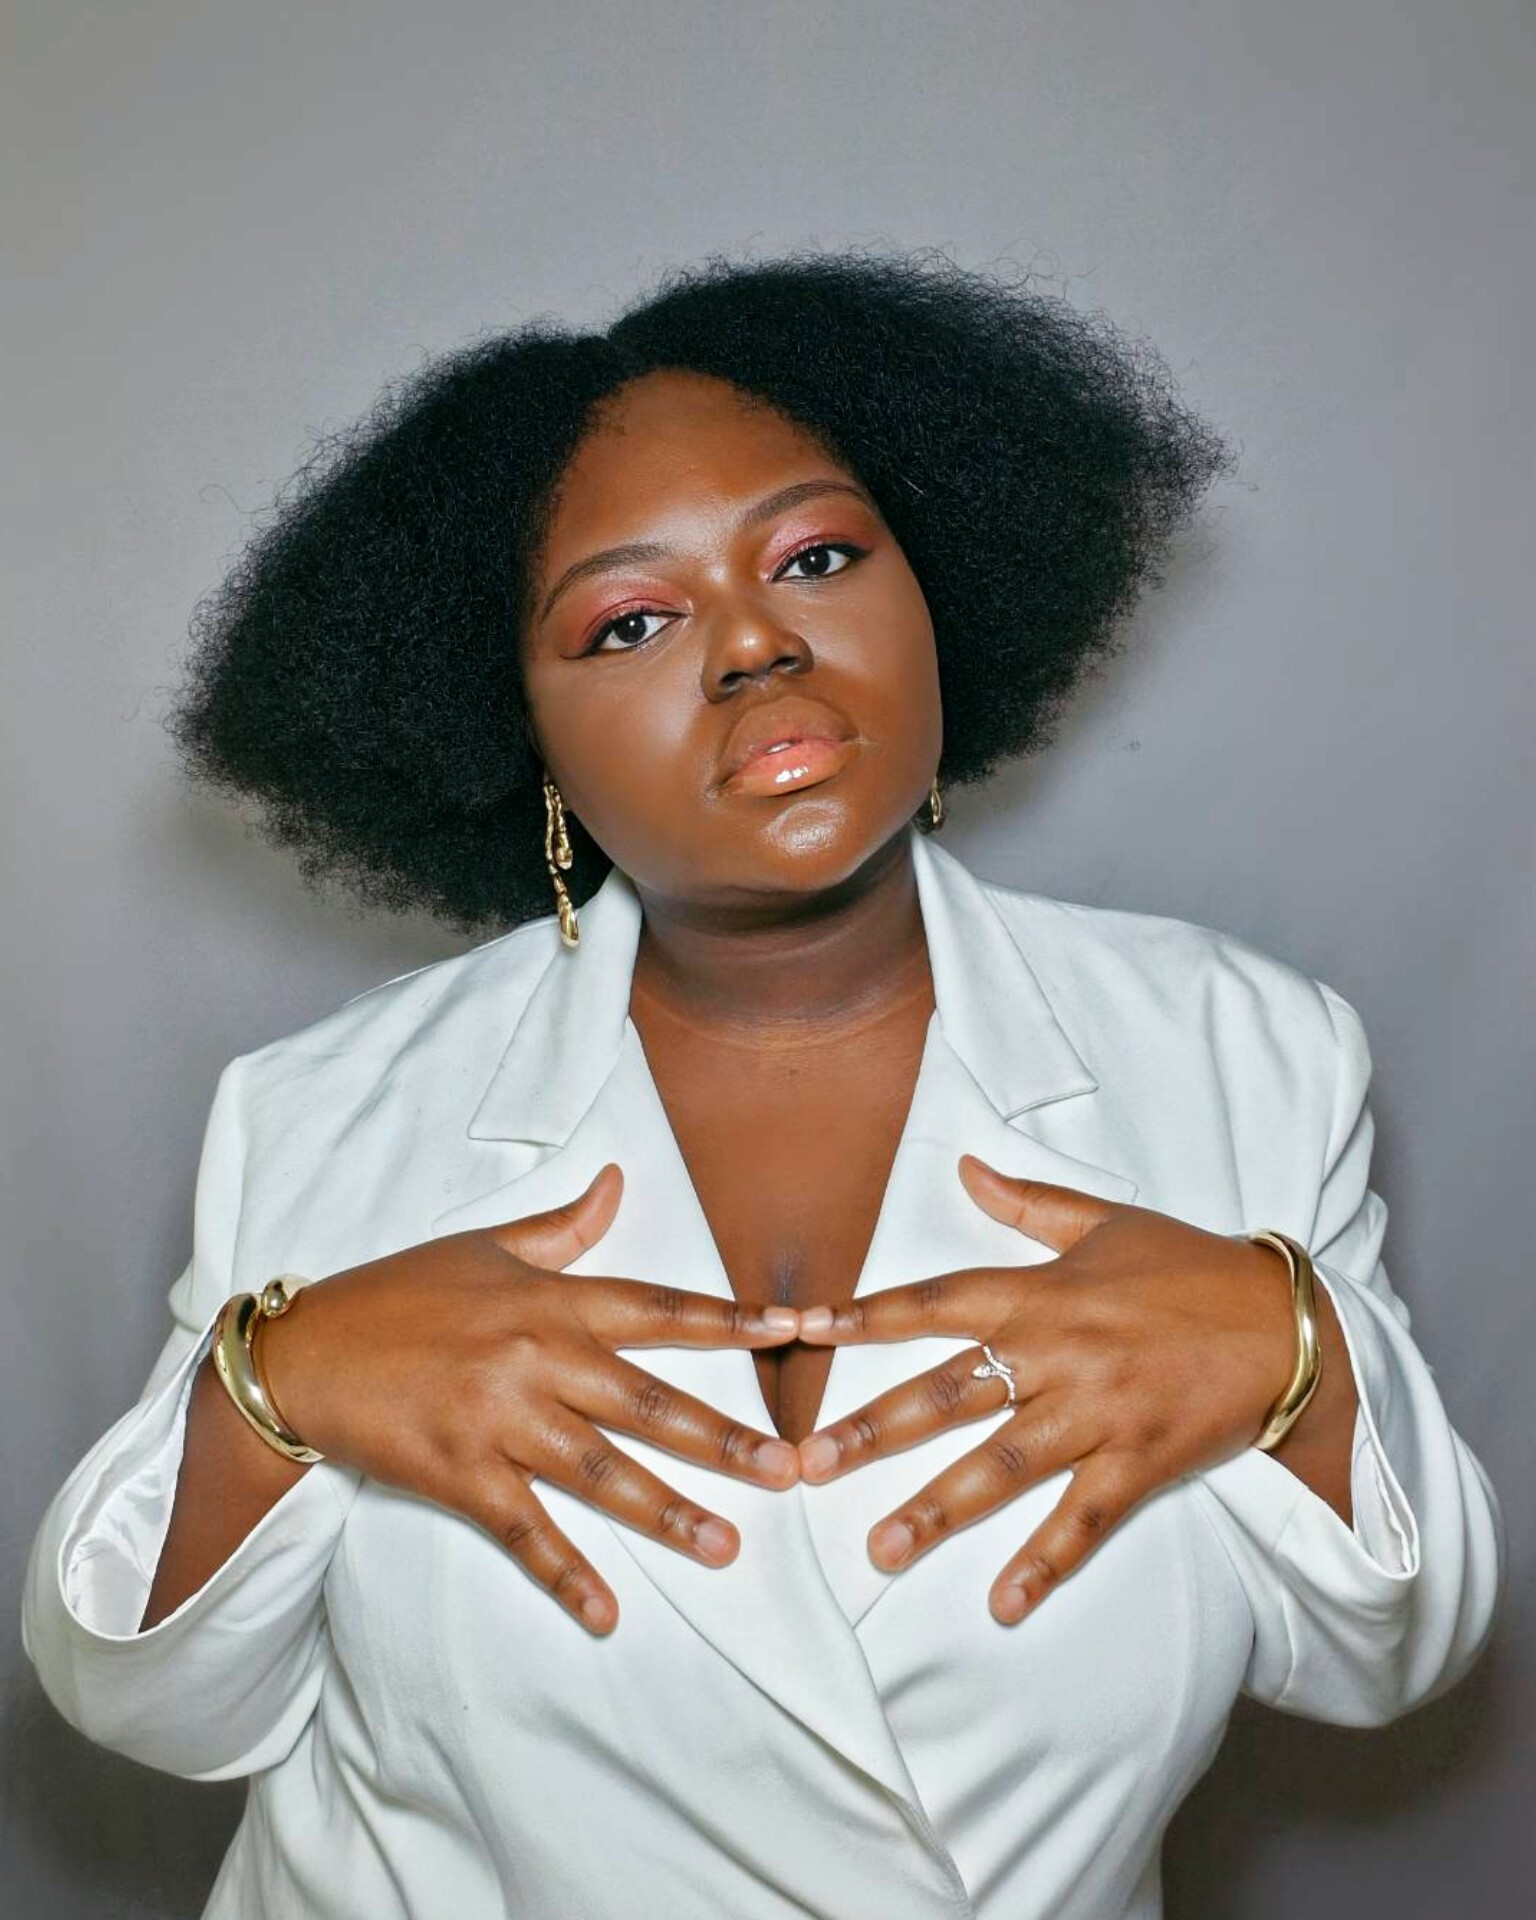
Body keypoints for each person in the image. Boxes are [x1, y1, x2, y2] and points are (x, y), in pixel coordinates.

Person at [22, 251, 1503, 1920]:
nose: (752, 645)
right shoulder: (322, 1115)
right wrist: (272, 1388)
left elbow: (1389, 1655)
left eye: (815, 557)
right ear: (524, 738)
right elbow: (153, 1701)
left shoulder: (1242, 1056)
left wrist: (1295, 1353)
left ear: (936, 597)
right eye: (630, 622)